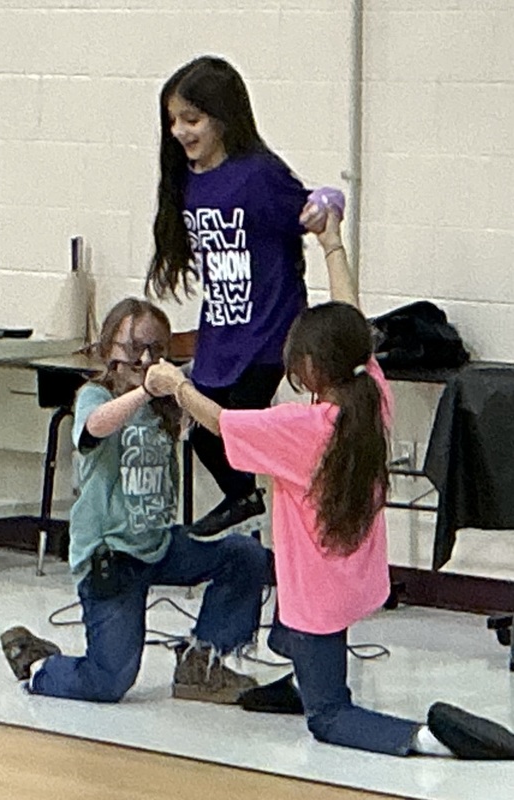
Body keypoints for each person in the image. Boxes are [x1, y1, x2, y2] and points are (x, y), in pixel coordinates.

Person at [144, 213, 514, 759]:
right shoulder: (371, 397)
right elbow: (353, 321)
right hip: (352, 575)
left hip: (316, 593)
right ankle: (299, 679)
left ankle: (427, 738)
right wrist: (331, 243)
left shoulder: (303, 429)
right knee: (285, 630)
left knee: (328, 715)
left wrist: (176, 384)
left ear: (312, 367)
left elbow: (221, 422)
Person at [0, 297, 268, 705]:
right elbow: (94, 427)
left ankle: (202, 663)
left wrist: (186, 387)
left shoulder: (166, 404)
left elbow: (218, 420)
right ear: (109, 348)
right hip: (111, 556)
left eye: (155, 349)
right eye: (133, 348)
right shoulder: (94, 395)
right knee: (109, 682)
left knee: (243, 555)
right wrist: (144, 391)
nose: (144, 359)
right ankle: (40, 665)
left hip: (158, 543)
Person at [145, 55, 344, 538]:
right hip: (222, 328)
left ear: (222, 118)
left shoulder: (258, 174)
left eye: (192, 120)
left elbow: (310, 207)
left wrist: (327, 204)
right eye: (173, 121)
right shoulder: (188, 180)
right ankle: (245, 498)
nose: (180, 131)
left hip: (269, 329)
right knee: (202, 432)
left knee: (238, 417)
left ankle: (271, 502)